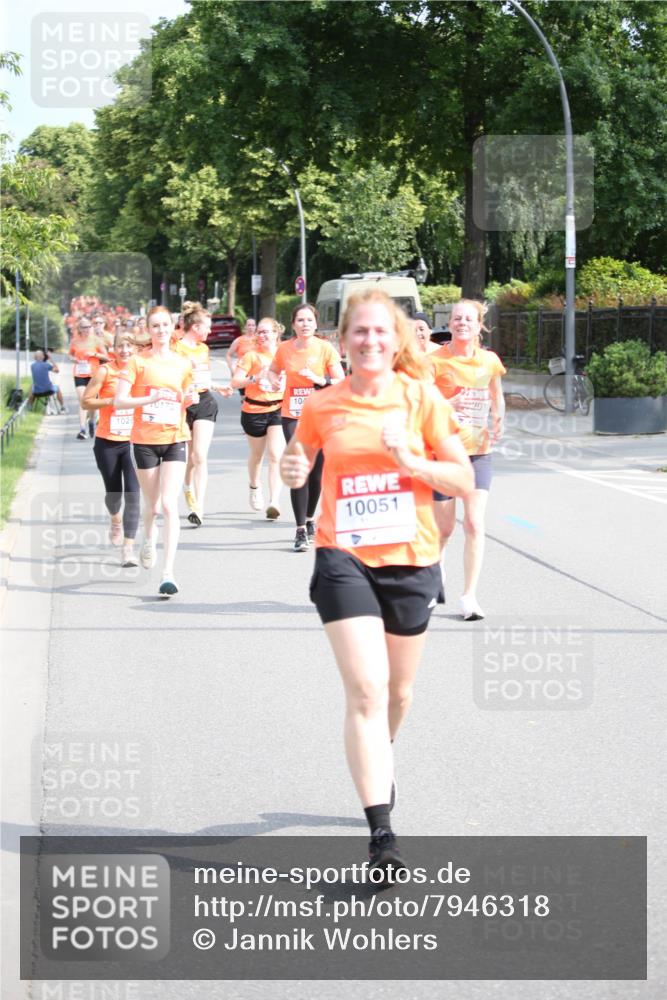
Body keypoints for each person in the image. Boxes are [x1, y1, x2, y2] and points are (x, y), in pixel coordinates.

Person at [280, 289, 473, 875]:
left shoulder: (422, 400)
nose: (370, 341)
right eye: (359, 332)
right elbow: (298, 456)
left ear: (400, 341)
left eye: (380, 332)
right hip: (345, 557)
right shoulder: (323, 404)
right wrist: (292, 466)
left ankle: (377, 757)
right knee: (366, 689)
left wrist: (414, 464)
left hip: (412, 559)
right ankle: (381, 834)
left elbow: (461, 477)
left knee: (397, 694)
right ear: (344, 341)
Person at [114, 306, 199, 597]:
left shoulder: (183, 363)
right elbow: (120, 401)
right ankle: (147, 539)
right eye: (155, 326)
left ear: (172, 328)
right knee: (151, 506)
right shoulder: (137, 362)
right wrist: (147, 398)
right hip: (145, 441)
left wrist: (191, 398)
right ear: (148, 330)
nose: (161, 331)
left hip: (175, 437)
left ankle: (168, 573)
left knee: (168, 504)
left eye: (165, 325)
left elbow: (187, 398)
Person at [430, 300, 506, 621]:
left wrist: (499, 417)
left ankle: (469, 597)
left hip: (479, 452)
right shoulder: (432, 360)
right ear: (450, 323)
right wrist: (450, 402)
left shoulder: (489, 361)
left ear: (479, 326)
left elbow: (496, 393)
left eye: (469, 319)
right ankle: (435, 575)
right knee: (444, 529)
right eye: (458, 318)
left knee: (474, 522)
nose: (463, 323)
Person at [269, 303, 345, 551]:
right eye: (300, 320)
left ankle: (311, 518)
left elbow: (340, 381)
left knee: (316, 473)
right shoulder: (284, 349)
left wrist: (319, 380)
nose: (305, 325)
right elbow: (273, 371)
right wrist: (274, 381)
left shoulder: (325, 349)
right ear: (293, 324)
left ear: (316, 323)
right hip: (292, 414)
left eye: (309, 320)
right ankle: (300, 529)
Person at [81, 332, 141, 566]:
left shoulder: (141, 371)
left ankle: (128, 549)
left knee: (134, 495)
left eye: (129, 346)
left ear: (135, 348)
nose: (125, 350)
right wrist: (110, 401)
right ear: (113, 349)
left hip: (135, 441)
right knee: (114, 495)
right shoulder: (105, 371)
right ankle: (115, 520)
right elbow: (86, 401)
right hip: (107, 442)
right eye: (120, 346)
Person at [174, 302, 232, 526]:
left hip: (204, 401)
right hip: (183, 403)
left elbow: (203, 378)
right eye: (207, 327)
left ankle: (199, 505)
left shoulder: (203, 349)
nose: (210, 331)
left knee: (200, 455)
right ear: (195, 327)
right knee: (190, 456)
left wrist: (218, 387)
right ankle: (188, 487)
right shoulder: (176, 348)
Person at [230, 317, 285, 519]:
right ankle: (254, 485)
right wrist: (255, 377)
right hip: (254, 410)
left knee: (276, 455)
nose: (261, 335)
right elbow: (235, 382)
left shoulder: (284, 354)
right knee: (257, 456)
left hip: (278, 409)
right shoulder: (251, 356)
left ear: (276, 333)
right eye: (259, 332)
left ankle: (274, 501)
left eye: (266, 331)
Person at [69, 318, 108, 439]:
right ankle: (82, 429)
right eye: (84, 327)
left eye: (88, 326)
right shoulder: (75, 341)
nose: (87, 329)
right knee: (82, 401)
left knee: (91, 403)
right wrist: (73, 359)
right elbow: (70, 354)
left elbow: (106, 356)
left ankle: (91, 421)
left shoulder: (96, 341)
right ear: (79, 329)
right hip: (79, 373)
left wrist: (94, 354)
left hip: (93, 374)